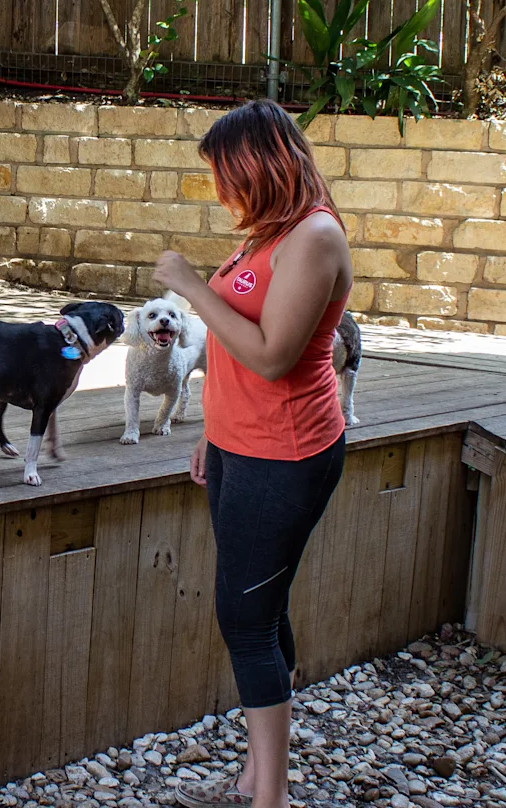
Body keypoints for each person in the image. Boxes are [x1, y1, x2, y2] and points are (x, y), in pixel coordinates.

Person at [151, 99, 354, 808]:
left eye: (224, 174)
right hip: (240, 448)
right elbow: (241, 344)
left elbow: (270, 357)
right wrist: (212, 430)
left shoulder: (314, 237)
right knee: (261, 609)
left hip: (286, 454)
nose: (218, 190)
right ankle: (260, 773)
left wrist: (185, 287)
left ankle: (269, 797)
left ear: (259, 167)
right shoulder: (270, 233)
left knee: (244, 619)